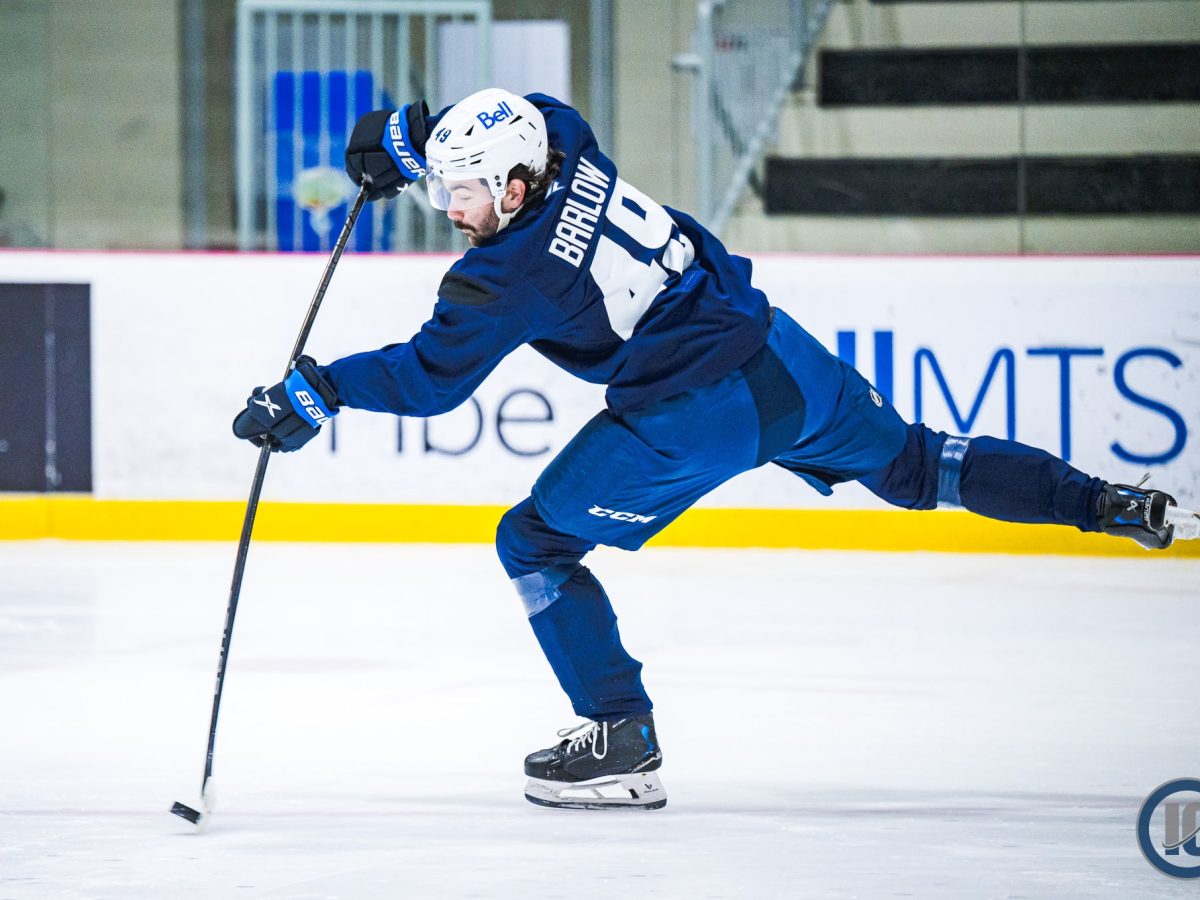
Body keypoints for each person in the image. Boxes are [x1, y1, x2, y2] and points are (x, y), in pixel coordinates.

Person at [233, 89, 1183, 811]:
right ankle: (1105, 503)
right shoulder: (563, 134)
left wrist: (318, 390)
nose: (451, 207)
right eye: (444, 187)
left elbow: (429, 380)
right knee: (917, 464)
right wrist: (415, 142)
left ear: (517, 188)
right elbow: (514, 117)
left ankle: (621, 736)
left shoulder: (505, 275)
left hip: (696, 411)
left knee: (533, 543)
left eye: (465, 192)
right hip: (780, 356)